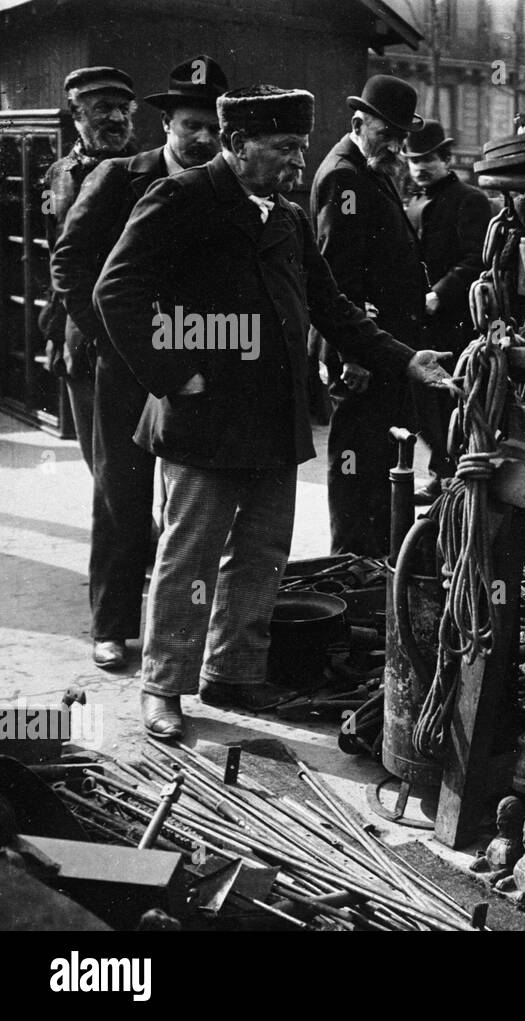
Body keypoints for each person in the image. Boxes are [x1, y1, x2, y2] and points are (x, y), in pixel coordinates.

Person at [92, 85, 452, 740]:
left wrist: (405, 361)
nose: (296, 161)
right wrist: (173, 370)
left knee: (260, 553)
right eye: (284, 147)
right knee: (188, 555)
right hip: (202, 419)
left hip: (270, 419)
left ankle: (232, 671)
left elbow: (334, 308)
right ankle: (163, 685)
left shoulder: (284, 216)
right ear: (236, 144)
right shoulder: (182, 198)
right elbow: (114, 288)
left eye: (300, 147)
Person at [50, 54, 227, 672]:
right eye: (188, 126)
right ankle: (113, 625)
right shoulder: (120, 178)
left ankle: (178, 632)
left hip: (197, 367)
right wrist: (113, 341)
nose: (201, 138)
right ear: (166, 126)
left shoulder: (222, 190)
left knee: (192, 504)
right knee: (122, 494)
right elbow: (70, 269)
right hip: (124, 367)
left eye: (212, 127)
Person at [310, 74, 428, 556]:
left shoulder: (369, 168)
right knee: (357, 462)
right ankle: (354, 567)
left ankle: (373, 564)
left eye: (402, 137)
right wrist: (352, 354)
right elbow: (336, 275)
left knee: (376, 458)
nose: (397, 147)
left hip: (376, 344)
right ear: (358, 123)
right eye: (387, 134)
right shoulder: (344, 175)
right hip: (360, 350)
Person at [42, 66, 139, 467]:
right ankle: (134, 531)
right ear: (77, 113)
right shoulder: (57, 175)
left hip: (140, 325)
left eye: (123, 109)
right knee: (98, 456)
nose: (116, 119)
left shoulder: (147, 172)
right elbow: (56, 257)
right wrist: (53, 331)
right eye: (103, 108)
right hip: (80, 328)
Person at [402, 121, 492, 501]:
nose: (419, 167)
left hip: (456, 323)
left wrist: (440, 293)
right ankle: (442, 470)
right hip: (420, 320)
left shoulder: (469, 200)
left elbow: (478, 259)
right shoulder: (414, 203)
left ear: (446, 159)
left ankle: (454, 476)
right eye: (412, 160)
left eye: (427, 159)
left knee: (453, 400)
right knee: (424, 403)